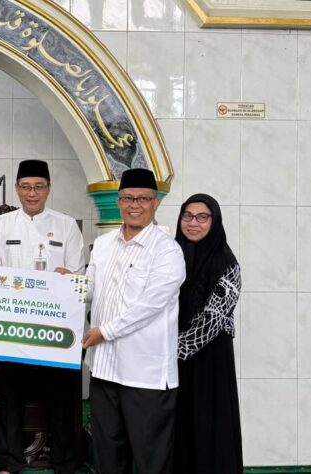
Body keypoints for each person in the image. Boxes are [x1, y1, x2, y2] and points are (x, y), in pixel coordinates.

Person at [0, 159, 85, 474]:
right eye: (26, 187)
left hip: (54, 326)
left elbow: (78, 274)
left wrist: (68, 276)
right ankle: (8, 462)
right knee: (11, 396)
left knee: (61, 398)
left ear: (48, 189)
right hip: (13, 326)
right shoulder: (2, 225)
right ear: (16, 189)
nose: (32, 193)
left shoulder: (66, 225)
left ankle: (65, 462)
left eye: (39, 186)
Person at [81, 168, 185, 474]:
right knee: (108, 457)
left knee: (152, 460)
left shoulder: (167, 251)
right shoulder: (103, 245)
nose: (134, 205)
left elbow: (148, 306)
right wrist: (64, 285)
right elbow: (89, 289)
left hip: (145, 375)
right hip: (103, 369)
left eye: (143, 198)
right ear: (118, 201)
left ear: (155, 202)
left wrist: (104, 332)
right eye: (128, 198)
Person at [173, 193, 243, 474]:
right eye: (187, 216)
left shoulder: (226, 262)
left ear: (214, 221)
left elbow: (214, 318)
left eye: (202, 217)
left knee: (209, 423)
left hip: (210, 359)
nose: (193, 223)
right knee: (180, 426)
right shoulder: (171, 255)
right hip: (174, 360)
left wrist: (175, 349)